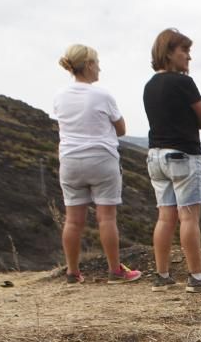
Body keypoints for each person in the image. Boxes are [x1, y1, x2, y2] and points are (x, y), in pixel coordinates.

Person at [54, 44, 142, 285]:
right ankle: (115, 271)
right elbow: (121, 129)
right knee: (106, 218)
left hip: (70, 161)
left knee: (72, 220)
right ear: (89, 65)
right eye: (98, 63)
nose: (100, 68)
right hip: (101, 159)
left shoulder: (60, 96)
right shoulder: (102, 95)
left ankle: (72, 272)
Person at [143, 28, 201, 292]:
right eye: (184, 51)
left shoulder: (150, 85)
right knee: (189, 218)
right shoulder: (183, 83)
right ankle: (196, 278)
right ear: (168, 53)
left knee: (165, 217)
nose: (189, 57)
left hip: (155, 156)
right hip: (183, 156)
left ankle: (162, 276)